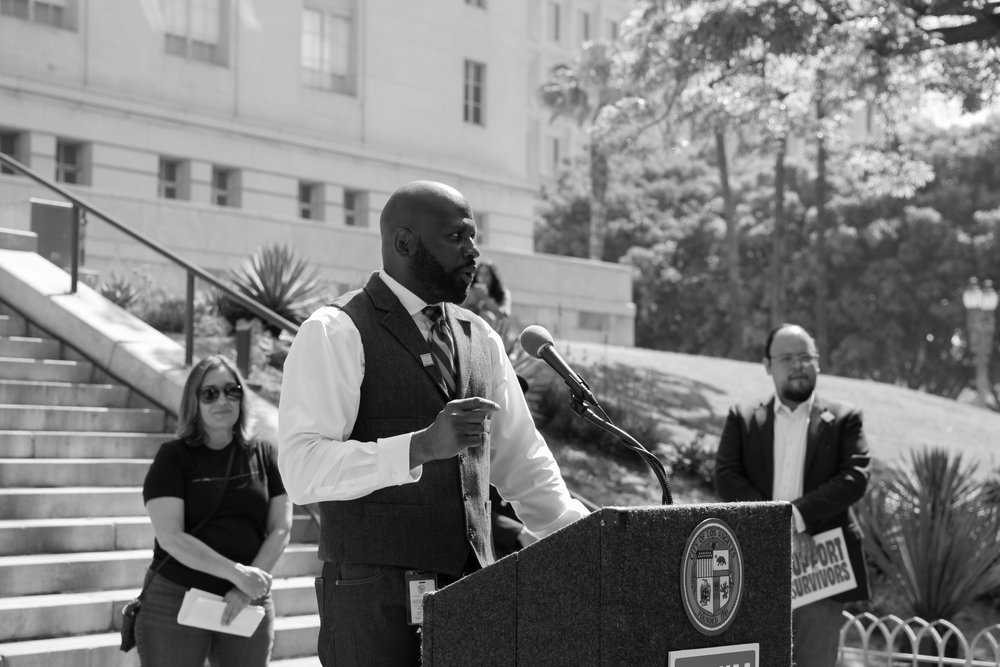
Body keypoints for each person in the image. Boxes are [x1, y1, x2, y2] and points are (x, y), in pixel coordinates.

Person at [277, 180, 588, 666]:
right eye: (457, 237)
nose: (474, 251)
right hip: (372, 607)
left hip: (473, 593)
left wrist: (589, 539)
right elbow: (301, 469)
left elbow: (522, 460)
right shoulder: (335, 330)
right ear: (405, 243)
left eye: (474, 237)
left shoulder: (480, 335)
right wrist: (418, 447)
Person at [714, 324, 871, 667]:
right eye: (787, 358)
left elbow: (855, 477)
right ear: (768, 365)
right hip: (756, 563)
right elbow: (726, 478)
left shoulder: (844, 418)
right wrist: (776, 524)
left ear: (818, 363)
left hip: (821, 566)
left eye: (805, 357)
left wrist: (796, 517)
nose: (798, 365)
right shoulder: (742, 417)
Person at [137, 354, 293, 667]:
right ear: (193, 402)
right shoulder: (172, 458)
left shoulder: (265, 453)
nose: (222, 400)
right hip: (175, 597)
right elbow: (171, 537)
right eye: (210, 393)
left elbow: (281, 528)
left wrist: (245, 588)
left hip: (248, 599)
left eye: (231, 390)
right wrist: (238, 575)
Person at [462, 260, 511, 330]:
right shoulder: (470, 290)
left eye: (486, 274)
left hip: (494, 330)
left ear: (493, 276)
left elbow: (503, 315)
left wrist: (485, 297)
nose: (483, 277)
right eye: (480, 274)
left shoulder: (503, 292)